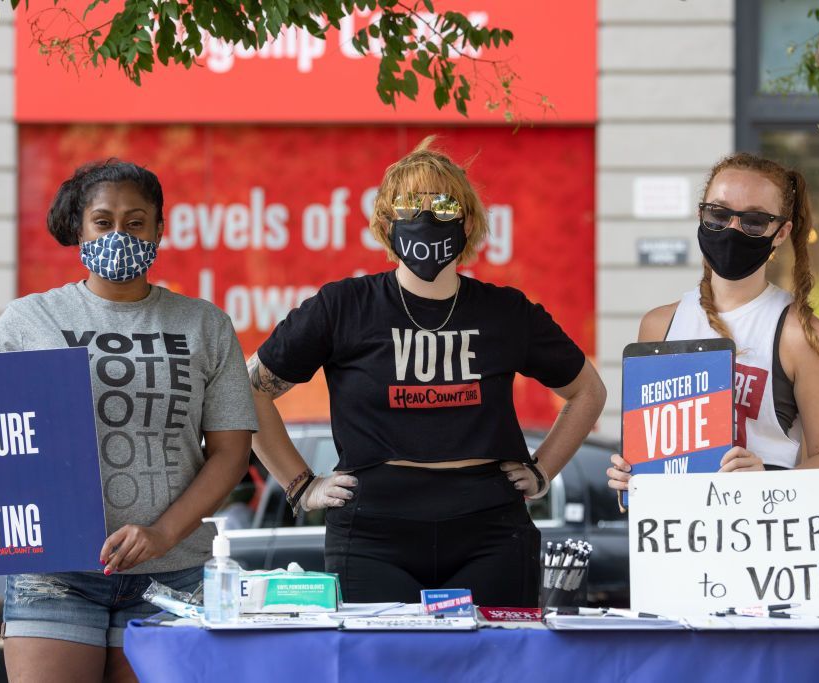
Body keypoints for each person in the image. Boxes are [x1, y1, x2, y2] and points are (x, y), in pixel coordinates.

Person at [0, 160, 256, 682]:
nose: (120, 234)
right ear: (80, 228)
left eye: (136, 222)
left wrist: (162, 533)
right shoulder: (31, 320)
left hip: (173, 574)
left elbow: (230, 453)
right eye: (103, 221)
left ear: (160, 229)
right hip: (54, 573)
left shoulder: (204, 325)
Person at [248, 137, 606, 607]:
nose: (425, 217)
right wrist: (301, 486)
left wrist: (543, 473)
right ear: (384, 223)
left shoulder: (506, 312)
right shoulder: (343, 307)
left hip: (491, 530)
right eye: (408, 205)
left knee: (492, 672)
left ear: (469, 221)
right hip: (373, 533)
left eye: (442, 204)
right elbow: (246, 390)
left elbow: (588, 392)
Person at [607, 152, 819, 496]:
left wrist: (767, 480)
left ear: (781, 232)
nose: (731, 229)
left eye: (752, 221)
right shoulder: (658, 325)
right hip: (678, 538)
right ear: (700, 215)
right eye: (718, 214)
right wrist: (631, 478)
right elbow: (653, 450)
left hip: (764, 535)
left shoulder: (800, 335)